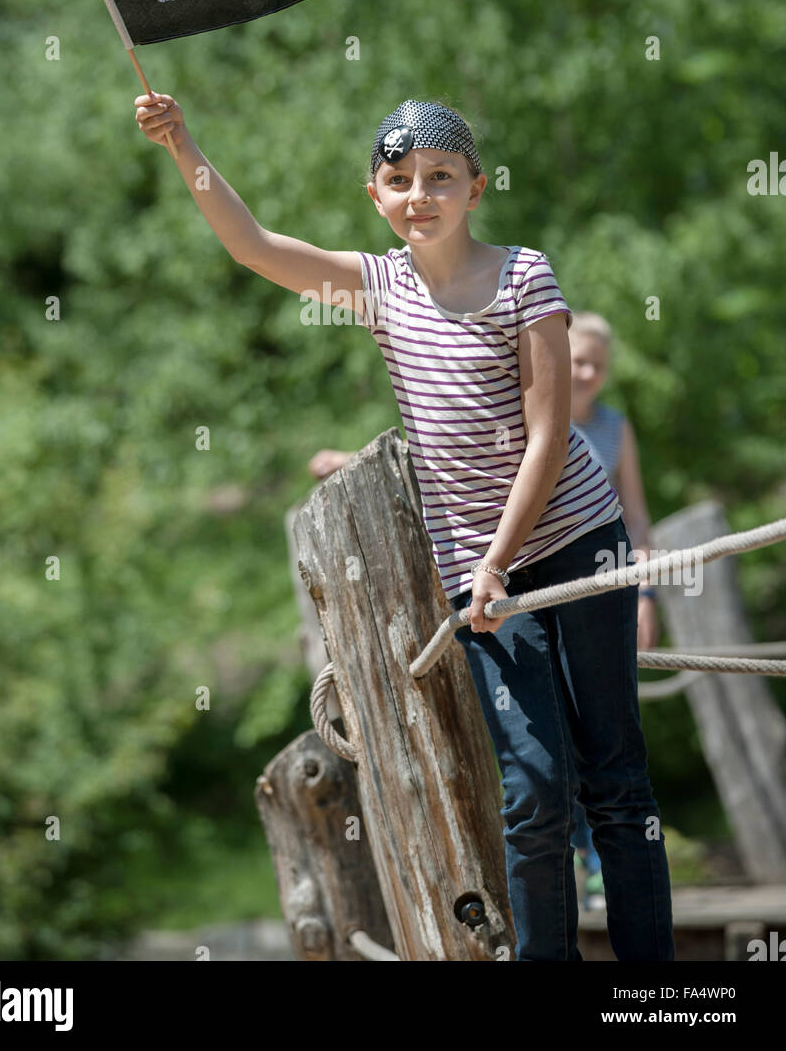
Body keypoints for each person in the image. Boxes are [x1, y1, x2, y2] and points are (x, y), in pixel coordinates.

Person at [135, 91, 675, 962]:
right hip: (479, 570)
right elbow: (254, 247)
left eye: (439, 177)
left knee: (615, 775)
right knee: (536, 786)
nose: (418, 194)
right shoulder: (380, 286)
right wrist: (182, 143)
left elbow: (548, 436)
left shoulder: (524, 276)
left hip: (576, 539)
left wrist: (501, 560)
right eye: (398, 180)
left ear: (476, 188)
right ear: (374, 196)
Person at [567, 312, 659, 909]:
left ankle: (604, 866)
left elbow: (637, 516)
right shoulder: (526, 411)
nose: (587, 373)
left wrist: (647, 593)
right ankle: (572, 859)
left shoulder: (615, 428)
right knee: (556, 736)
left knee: (608, 732)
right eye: (578, 359)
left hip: (607, 592)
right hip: (543, 593)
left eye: (598, 365)